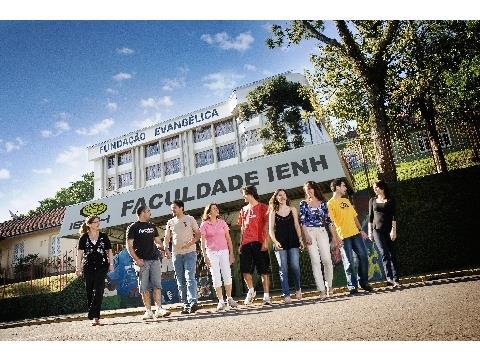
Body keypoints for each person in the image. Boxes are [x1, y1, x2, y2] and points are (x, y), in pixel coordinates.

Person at [327, 179, 374, 294]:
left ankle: (363, 282)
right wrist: (336, 238)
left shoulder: (346, 201)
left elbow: (354, 217)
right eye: (343, 186)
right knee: (349, 262)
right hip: (343, 236)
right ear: (337, 187)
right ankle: (352, 286)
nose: (345, 188)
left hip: (356, 234)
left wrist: (361, 230)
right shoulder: (330, 204)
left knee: (363, 256)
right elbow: (331, 223)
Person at [126, 206, 171, 320]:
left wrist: (164, 249)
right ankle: (148, 311)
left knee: (157, 285)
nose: (150, 213)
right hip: (142, 261)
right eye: (148, 211)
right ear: (142, 213)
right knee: (144, 287)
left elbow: (157, 242)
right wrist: (136, 259)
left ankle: (159, 309)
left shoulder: (152, 226)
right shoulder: (133, 227)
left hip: (154, 259)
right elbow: (129, 246)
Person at [299, 181, 341, 299]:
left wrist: (334, 237)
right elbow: (302, 221)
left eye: (311, 188)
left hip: (322, 232)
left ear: (315, 189)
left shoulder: (323, 203)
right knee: (315, 262)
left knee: (327, 260)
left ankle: (329, 286)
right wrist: (306, 235)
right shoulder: (303, 203)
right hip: (309, 232)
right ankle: (321, 290)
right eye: (307, 189)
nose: (309, 191)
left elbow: (329, 222)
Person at [164, 200, 201, 314]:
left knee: (189, 277)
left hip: (190, 252)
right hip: (176, 254)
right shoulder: (170, 222)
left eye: (174, 208)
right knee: (180, 281)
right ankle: (185, 305)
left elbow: (198, 234)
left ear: (181, 208)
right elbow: (166, 238)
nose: (172, 210)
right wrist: (166, 249)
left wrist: (190, 243)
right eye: (171, 209)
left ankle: (193, 302)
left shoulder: (190, 219)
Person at [199, 203, 238, 311]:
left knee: (227, 274)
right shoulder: (204, 225)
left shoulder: (222, 223)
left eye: (217, 208)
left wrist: (231, 254)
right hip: (212, 253)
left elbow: (229, 239)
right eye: (214, 208)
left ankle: (229, 299)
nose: (217, 210)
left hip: (224, 251)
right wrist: (205, 256)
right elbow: (202, 242)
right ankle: (221, 301)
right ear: (209, 212)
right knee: (216, 276)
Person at [268, 189, 305, 304]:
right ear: (276, 198)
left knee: (295, 266)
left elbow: (297, 226)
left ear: (286, 197)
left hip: (293, 241)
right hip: (280, 244)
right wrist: (275, 241)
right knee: (283, 269)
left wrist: (300, 239)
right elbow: (270, 230)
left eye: (284, 194)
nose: (282, 196)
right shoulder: (273, 212)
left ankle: (298, 289)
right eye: (279, 195)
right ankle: (286, 294)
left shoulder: (292, 209)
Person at [75, 215, 113, 326]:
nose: (98, 223)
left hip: (102, 266)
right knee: (90, 291)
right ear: (90, 224)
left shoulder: (103, 236)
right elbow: (80, 254)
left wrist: (111, 264)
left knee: (99, 290)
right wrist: (78, 268)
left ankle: (95, 316)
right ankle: (93, 314)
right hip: (88, 267)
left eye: (98, 221)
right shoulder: (84, 237)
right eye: (96, 222)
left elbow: (109, 251)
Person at [237, 185, 272, 305]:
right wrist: (241, 244)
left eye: (244, 194)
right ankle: (251, 291)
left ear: (250, 193)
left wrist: (265, 241)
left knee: (264, 271)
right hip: (246, 243)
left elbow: (267, 226)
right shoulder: (243, 210)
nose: (243, 196)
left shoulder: (263, 207)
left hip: (259, 242)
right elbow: (242, 228)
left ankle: (266, 296)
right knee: (245, 271)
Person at [368, 180, 400, 287]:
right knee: (384, 253)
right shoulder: (372, 200)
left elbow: (394, 216)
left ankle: (396, 279)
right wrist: (369, 232)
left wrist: (393, 230)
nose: (374, 189)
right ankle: (389, 278)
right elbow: (370, 217)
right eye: (374, 188)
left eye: (376, 187)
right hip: (376, 230)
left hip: (389, 230)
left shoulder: (391, 200)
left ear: (382, 188)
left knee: (392, 254)